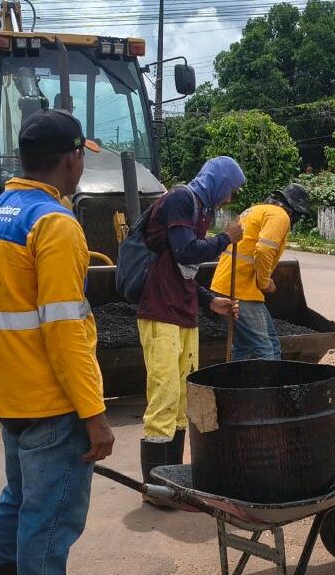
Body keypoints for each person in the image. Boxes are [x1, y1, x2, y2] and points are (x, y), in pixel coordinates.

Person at [0, 109, 114, 575]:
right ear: (72, 158)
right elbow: (65, 330)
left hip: (10, 399)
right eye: (81, 157)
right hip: (53, 405)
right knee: (49, 521)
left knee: (18, 504)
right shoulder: (54, 224)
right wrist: (94, 416)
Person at [136, 157, 245, 506]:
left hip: (184, 313)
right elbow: (185, 249)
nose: (230, 198)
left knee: (184, 399)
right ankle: (156, 489)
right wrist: (225, 239)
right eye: (231, 190)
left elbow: (184, 270)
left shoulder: (202, 211)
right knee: (164, 397)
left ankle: (176, 483)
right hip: (160, 311)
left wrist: (211, 300)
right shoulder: (181, 198)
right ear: (218, 181)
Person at [211, 183, 310, 361]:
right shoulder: (280, 215)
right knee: (267, 345)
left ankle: (237, 385)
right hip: (243, 290)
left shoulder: (256, 210)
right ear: (293, 210)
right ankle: (271, 386)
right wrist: (264, 282)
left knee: (243, 345)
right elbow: (264, 249)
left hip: (224, 285)